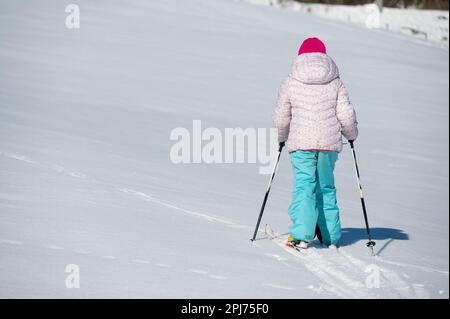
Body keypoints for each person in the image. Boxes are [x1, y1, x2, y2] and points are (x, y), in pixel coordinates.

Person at [272, 37, 358, 249]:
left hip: (302, 144)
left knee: (304, 187)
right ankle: (330, 237)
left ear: (301, 56)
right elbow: (346, 115)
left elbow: (282, 116)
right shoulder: (335, 81)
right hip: (328, 145)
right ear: (324, 56)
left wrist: (281, 137)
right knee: (326, 187)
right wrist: (351, 135)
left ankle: (301, 235)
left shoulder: (291, 81)